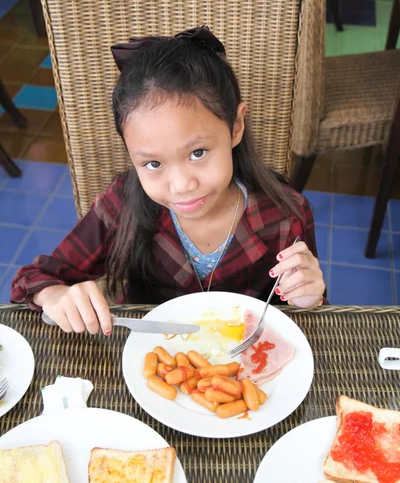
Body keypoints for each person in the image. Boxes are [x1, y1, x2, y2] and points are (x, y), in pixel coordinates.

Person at [10, 26, 325, 335]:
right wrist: (55, 295)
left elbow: (303, 316)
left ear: (236, 126)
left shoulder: (285, 215)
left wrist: (309, 298)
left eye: (198, 152)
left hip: (243, 366)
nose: (181, 185)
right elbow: (35, 278)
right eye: (153, 163)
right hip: (150, 363)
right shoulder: (121, 205)